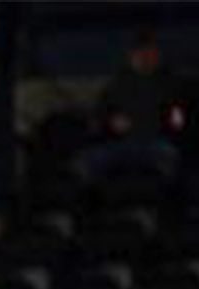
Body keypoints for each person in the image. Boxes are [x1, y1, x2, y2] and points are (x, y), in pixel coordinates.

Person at [78, 29, 184, 179]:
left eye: (150, 54)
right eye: (141, 54)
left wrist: (171, 123)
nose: (146, 58)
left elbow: (178, 118)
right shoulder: (118, 84)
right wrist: (110, 121)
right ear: (132, 56)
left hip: (156, 143)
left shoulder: (168, 83)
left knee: (169, 159)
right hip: (122, 144)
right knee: (86, 161)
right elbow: (98, 115)